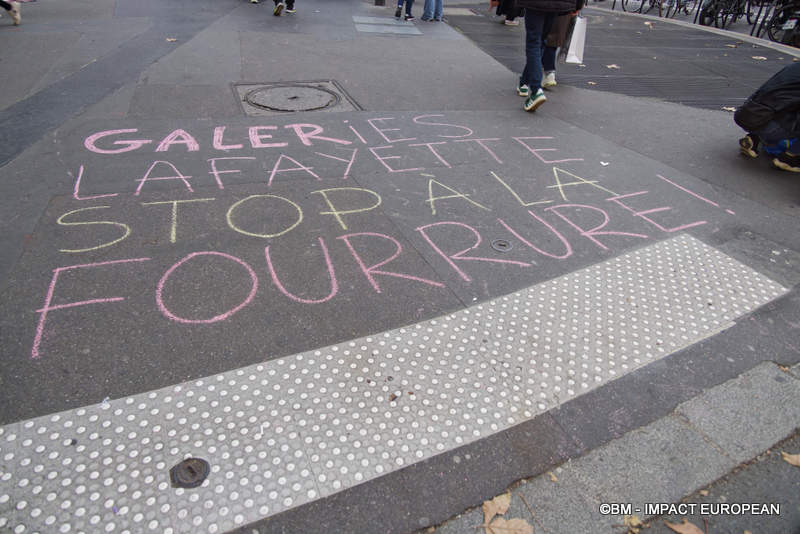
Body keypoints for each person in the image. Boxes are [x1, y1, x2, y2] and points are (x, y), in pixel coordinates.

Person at [515, 0, 582, 112]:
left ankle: (536, 90)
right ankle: (524, 82)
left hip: (536, 4)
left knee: (534, 42)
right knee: (541, 41)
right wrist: (577, 5)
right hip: (555, 4)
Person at [734, 63, 800, 172]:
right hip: (768, 124)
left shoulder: (795, 66)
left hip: (747, 114)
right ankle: (790, 158)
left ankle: (755, 138)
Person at [541, 14, 571, 89]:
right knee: (554, 39)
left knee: (544, 39)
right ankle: (549, 72)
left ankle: (548, 71)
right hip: (566, 9)